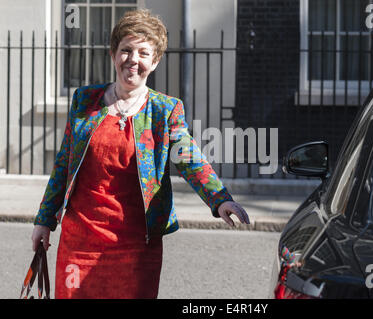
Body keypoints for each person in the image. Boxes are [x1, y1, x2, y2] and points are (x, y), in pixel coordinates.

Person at [31, 9, 250, 299]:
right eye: (126, 50)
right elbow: (63, 165)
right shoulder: (84, 101)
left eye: (143, 53)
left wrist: (220, 199)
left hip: (136, 244)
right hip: (80, 242)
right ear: (113, 54)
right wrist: (44, 220)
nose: (133, 60)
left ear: (155, 61)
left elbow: (189, 158)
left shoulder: (164, 110)